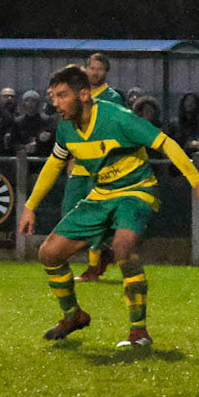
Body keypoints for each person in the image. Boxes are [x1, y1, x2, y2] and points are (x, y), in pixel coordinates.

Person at [17, 64, 199, 348]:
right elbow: (55, 163)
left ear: (84, 94)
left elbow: (166, 143)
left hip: (136, 190)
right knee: (49, 253)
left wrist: (198, 182)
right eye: (52, 96)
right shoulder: (66, 127)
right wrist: (30, 206)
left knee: (123, 247)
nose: (55, 103)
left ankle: (139, 331)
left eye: (62, 95)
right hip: (102, 194)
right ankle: (73, 315)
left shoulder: (119, 119)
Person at [71, 53, 126, 282]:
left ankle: (94, 267)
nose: (94, 72)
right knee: (72, 215)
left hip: (100, 167)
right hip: (79, 167)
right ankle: (103, 254)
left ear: (106, 73)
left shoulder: (112, 98)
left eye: (99, 69)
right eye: (91, 68)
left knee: (96, 217)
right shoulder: (77, 94)